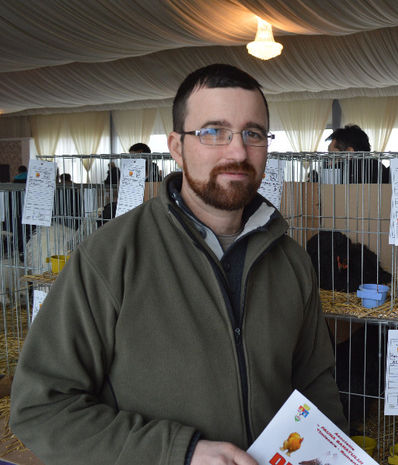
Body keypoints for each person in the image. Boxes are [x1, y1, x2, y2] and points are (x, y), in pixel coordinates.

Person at [10, 64, 345, 465]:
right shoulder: (111, 257)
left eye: (252, 133)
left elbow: (315, 381)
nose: (237, 151)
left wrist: (327, 452)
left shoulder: (291, 261)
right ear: (176, 146)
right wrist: (178, 453)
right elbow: (41, 409)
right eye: (213, 132)